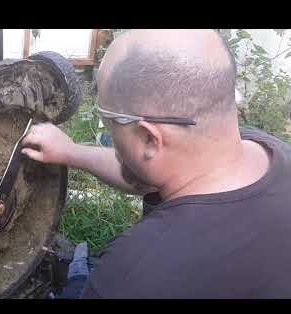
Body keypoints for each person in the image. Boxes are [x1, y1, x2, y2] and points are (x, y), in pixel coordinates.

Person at [21, 29, 291, 299]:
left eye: (108, 120)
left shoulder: (130, 277)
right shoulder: (265, 149)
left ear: (150, 138)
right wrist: (70, 151)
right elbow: (150, 174)